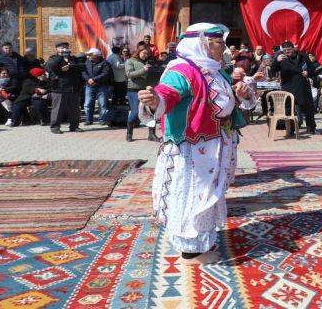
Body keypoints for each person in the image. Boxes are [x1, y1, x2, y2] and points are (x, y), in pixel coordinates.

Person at [137, 23, 253, 263]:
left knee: (207, 193)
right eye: (219, 43)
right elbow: (166, 94)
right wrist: (153, 99)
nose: (225, 48)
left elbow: (221, 101)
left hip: (213, 145)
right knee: (192, 193)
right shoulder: (181, 70)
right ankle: (191, 250)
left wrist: (238, 95)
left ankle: (202, 241)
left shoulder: (214, 70)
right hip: (192, 149)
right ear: (202, 44)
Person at [93, 0, 158, 54]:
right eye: (109, 26)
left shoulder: (153, 51)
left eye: (129, 24)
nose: (117, 36)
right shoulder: (109, 62)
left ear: (151, 27)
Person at [271, 41, 318, 135]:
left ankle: (311, 128)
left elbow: (312, 68)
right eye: (285, 50)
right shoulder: (280, 58)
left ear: (293, 48)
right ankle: (291, 129)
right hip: (288, 87)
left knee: (308, 107)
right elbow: (273, 70)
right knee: (289, 109)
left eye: (289, 50)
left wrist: (308, 72)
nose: (287, 52)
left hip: (302, 85)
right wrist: (276, 61)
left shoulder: (303, 56)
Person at [46, 42, 85, 134]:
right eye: (61, 48)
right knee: (58, 109)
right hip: (59, 88)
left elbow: (82, 66)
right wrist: (61, 57)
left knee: (74, 109)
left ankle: (74, 126)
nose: (64, 49)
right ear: (56, 49)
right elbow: (53, 66)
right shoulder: (53, 58)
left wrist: (70, 67)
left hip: (73, 88)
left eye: (66, 47)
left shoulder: (73, 59)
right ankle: (55, 127)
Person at [125, 45, 158, 142]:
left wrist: (151, 85)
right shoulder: (130, 61)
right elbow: (129, 74)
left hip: (147, 89)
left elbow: (152, 77)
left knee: (151, 111)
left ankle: (151, 135)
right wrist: (143, 70)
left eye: (147, 54)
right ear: (138, 52)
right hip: (134, 90)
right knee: (135, 112)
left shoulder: (148, 62)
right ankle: (129, 133)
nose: (146, 55)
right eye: (144, 53)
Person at [82, 48, 112, 125]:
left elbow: (106, 73)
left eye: (90, 54)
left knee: (102, 104)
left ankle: (102, 120)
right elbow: (83, 72)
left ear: (96, 55)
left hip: (102, 86)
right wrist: (88, 79)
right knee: (88, 103)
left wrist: (94, 79)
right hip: (89, 86)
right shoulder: (87, 62)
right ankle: (89, 120)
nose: (88, 56)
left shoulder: (105, 63)